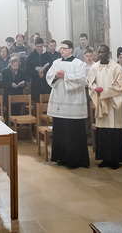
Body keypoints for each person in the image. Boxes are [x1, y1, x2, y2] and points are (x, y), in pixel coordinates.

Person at [47, 40, 89, 168]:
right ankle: (61, 158)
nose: (62, 50)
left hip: (73, 101)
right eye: (61, 48)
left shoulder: (78, 63)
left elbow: (82, 79)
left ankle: (74, 160)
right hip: (59, 100)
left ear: (71, 49)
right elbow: (49, 76)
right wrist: (56, 76)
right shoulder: (56, 62)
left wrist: (65, 76)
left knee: (72, 132)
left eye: (64, 48)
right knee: (60, 130)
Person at [87, 45, 122, 169]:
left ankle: (115, 160)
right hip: (102, 104)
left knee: (114, 131)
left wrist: (105, 92)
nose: (100, 54)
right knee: (103, 131)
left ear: (108, 53)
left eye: (103, 52)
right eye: (99, 52)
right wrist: (96, 89)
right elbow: (90, 83)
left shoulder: (116, 67)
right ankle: (105, 158)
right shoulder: (94, 68)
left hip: (113, 104)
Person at [26, 37, 54, 102]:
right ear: (35, 45)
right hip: (35, 83)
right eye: (37, 46)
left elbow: (51, 68)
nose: (39, 48)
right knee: (36, 101)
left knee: (46, 101)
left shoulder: (47, 55)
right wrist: (37, 73)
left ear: (43, 45)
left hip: (45, 82)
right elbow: (27, 70)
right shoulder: (31, 56)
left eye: (41, 46)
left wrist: (44, 73)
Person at [0, 55, 27, 120]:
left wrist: (23, 85)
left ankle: (17, 125)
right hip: (8, 95)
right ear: (10, 64)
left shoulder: (21, 72)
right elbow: (2, 83)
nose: (15, 67)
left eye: (17, 66)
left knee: (18, 114)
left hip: (18, 95)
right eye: (14, 66)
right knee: (9, 114)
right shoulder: (4, 71)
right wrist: (11, 84)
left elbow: (24, 82)